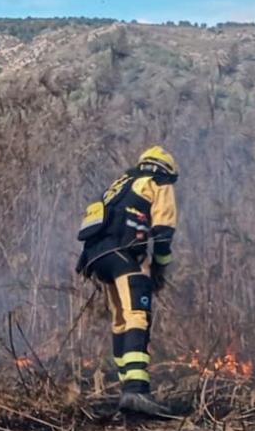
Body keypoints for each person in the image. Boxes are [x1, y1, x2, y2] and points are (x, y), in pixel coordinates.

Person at [76, 145, 179, 416]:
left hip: (97, 258)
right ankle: (136, 391)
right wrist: (159, 268)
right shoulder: (159, 181)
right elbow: (163, 231)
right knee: (137, 315)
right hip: (124, 255)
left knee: (121, 319)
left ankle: (127, 391)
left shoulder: (120, 184)